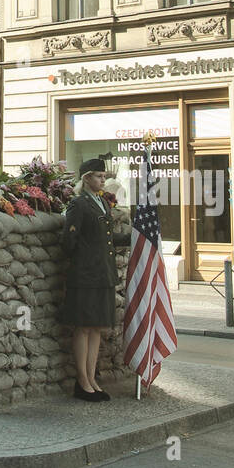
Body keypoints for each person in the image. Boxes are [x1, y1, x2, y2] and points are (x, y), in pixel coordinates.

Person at [61, 157, 132, 402]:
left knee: (97, 328)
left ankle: (92, 379)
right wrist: (87, 258)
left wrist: (136, 238)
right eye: (99, 176)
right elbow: (69, 242)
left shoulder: (102, 202)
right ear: (86, 178)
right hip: (85, 275)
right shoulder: (79, 205)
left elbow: (107, 239)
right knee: (83, 328)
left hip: (103, 273)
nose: (103, 180)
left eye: (104, 176)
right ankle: (82, 382)